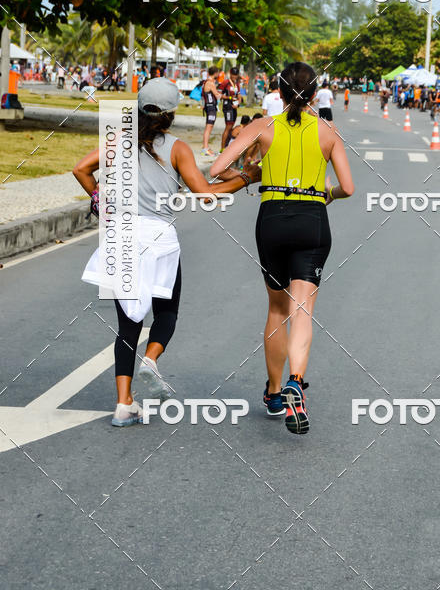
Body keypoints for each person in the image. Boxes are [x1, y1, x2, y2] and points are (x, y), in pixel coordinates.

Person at [74, 78, 260, 427]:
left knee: (127, 326)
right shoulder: (177, 148)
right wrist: (247, 178)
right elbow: (205, 193)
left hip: (121, 237)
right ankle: (152, 360)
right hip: (158, 240)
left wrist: (101, 198)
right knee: (167, 312)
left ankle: (123, 404)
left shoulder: (119, 141)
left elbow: (80, 168)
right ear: (172, 113)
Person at [210, 62, 354, 435]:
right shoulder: (327, 130)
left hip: (272, 216)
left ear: (279, 91)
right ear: (314, 93)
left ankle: (274, 394)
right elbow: (349, 188)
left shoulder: (262, 126)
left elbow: (217, 169)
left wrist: (251, 173)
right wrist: (329, 194)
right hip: (312, 218)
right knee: (302, 309)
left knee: (277, 308)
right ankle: (295, 380)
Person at [201, 65, 221, 157]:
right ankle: (205, 148)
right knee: (208, 128)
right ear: (216, 73)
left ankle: (206, 147)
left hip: (209, 107)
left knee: (209, 127)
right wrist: (221, 94)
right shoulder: (210, 83)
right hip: (211, 107)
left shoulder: (207, 82)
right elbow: (217, 95)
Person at [220, 66, 242, 150]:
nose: (234, 77)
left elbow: (239, 96)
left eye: (236, 75)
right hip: (227, 106)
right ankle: (222, 148)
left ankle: (227, 146)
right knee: (228, 127)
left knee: (231, 126)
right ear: (230, 74)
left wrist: (238, 103)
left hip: (234, 107)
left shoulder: (237, 84)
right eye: (233, 75)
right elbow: (219, 95)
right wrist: (229, 98)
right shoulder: (225, 82)